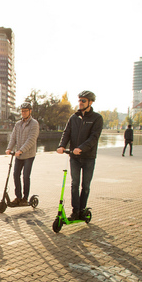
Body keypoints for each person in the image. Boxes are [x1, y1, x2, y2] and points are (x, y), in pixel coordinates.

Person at [57, 90, 103, 221]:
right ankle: (75, 211)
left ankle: (82, 209)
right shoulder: (73, 117)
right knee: (74, 184)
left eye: (83, 101)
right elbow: (66, 133)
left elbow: (94, 138)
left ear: (90, 102)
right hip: (74, 158)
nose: (80, 103)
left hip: (88, 157)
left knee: (86, 185)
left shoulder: (97, 118)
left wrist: (81, 148)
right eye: (79, 100)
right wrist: (61, 146)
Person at [5, 102, 40, 206]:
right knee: (16, 174)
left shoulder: (34, 124)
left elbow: (31, 139)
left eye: (25, 111)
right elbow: (13, 137)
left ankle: (25, 198)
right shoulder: (18, 124)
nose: (23, 113)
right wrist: (9, 148)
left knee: (25, 176)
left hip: (28, 155)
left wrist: (21, 150)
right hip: (18, 155)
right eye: (22, 111)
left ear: (30, 111)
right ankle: (18, 197)